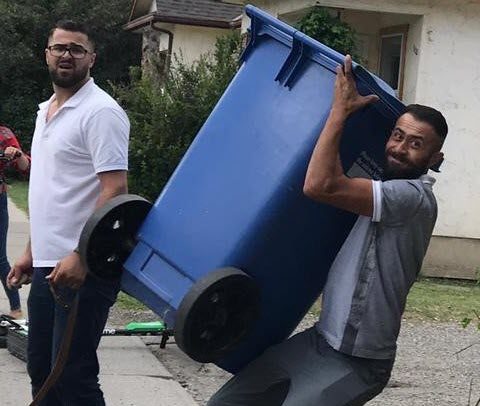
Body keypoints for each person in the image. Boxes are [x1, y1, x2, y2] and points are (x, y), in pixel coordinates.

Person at [207, 55, 447, 406]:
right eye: (397, 135)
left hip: (358, 360)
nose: (400, 148)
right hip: (320, 340)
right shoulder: (380, 186)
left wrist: (340, 109)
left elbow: (320, 185)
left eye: (415, 143)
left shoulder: (412, 198)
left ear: (435, 159)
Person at [7, 20, 129, 405]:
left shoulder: (100, 112)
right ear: (46, 54)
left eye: (76, 49)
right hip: (46, 265)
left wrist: (81, 254)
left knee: (72, 373)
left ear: (92, 58)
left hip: (82, 269)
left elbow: (115, 191)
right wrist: (30, 251)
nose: (66, 55)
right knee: (41, 368)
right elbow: (47, 190)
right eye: (59, 47)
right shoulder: (45, 111)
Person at [0, 124, 30, 319]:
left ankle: (16, 309)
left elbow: (26, 167)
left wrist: (17, 154)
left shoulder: (4, 134)